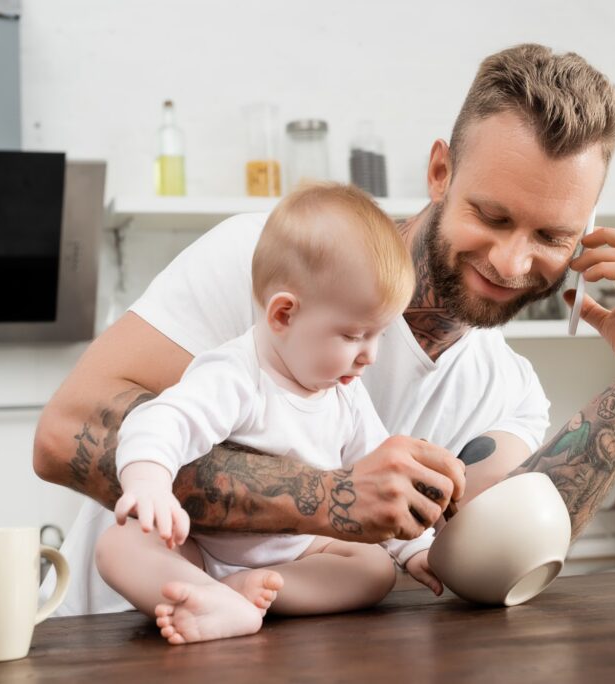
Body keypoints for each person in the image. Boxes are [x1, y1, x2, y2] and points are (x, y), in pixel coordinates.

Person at [35, 43, 615, 616]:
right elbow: (63, 437)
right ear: (440, 172)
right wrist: (335, 497)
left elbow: (499, 558)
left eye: (551, 236)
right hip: (117, 637)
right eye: (493, 215)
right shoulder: (267, 262)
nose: (512, 262)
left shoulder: (507, 393)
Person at [95, 183, 443, 644]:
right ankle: (208, 592)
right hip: (203, 546)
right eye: (354, 335)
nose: (370, 356)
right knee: (117, 547)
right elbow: (163, 420)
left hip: (301, 553)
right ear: (283, 314)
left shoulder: (346, 395)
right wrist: (148, 483)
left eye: (378, 335)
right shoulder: (237, 373)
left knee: (374, 569)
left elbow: (384, 484)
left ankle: (246, 598)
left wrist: (415, 548)